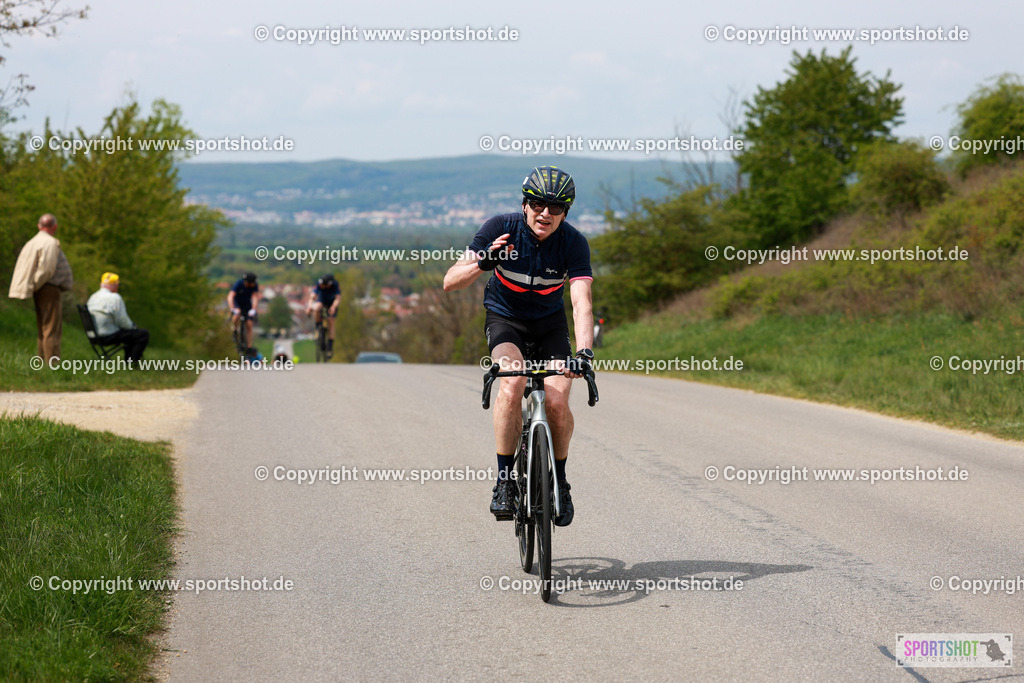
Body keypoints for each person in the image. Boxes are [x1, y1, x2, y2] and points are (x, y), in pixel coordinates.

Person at [443, 166, 594, 527]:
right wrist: (484, 262)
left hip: (549, 326)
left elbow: (581, 300)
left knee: (557, 400)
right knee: (511, 383)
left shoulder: (573, 243)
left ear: (565, 213)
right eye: (539, 204)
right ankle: (505, 481)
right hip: (505, 320)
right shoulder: (500, 228)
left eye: (556, 208)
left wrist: (585, 352)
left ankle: (560, 480)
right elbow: (451, 281)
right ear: (525, 205)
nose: (546, 213)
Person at [8, 213, 74, 361]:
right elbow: (46, 269)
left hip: (41, 287)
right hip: (48, 287)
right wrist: (37, 285)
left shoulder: (32, 242)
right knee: (51, 329)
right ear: (54, 227)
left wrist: (33, 287)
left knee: (43, 328)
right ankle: (52, 365)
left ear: (39, 226)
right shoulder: (49, 242)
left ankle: (43, 363)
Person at [86, 272, 150, 362]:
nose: (118, 287)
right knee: (142, 334)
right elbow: (123, 321)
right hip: (108, 336)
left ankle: (130, 361)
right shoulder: (115, 298)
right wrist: (133, 327)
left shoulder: (93, 297)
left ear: (102, 284)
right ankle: (132, 362)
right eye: (117, 285)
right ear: (113, 285)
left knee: (129, 333)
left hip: (94, 335)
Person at [305, 273, 341, 359]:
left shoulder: (335, 285)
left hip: (331, 302)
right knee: (317, 308)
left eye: (323, 285)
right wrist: (310, 307)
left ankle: (330, 347)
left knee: (331, 322)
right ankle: (318, 327)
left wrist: (333, 307)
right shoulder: (318, 284)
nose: (321, 285)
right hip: (322, 299)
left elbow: (338, 298)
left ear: (328, 285)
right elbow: (312, 297)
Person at [227, 272, 261, 354]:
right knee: (236, 316)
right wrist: (232, 308)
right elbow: (230, 296)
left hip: (247, 305)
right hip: (237, 304)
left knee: (249, 324)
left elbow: (255, 297)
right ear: (248, 282)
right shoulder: (239, 284)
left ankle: (249, 347)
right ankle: (235, 332)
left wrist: (253, 309)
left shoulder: (254, 285)